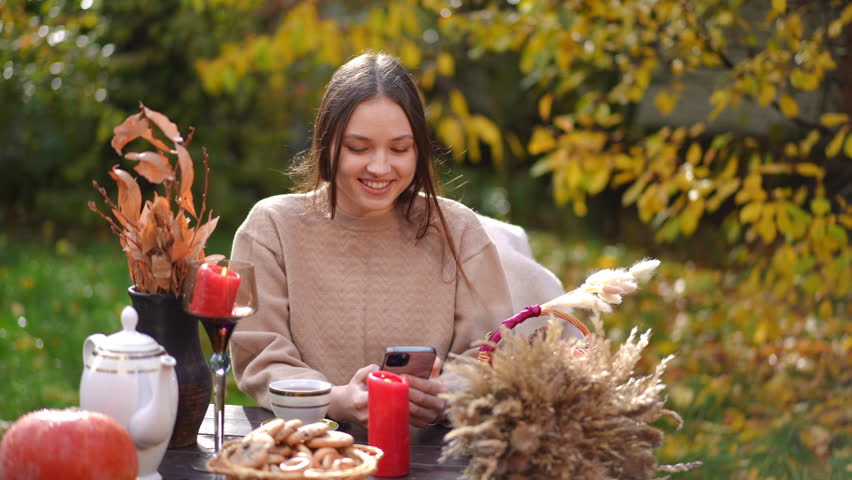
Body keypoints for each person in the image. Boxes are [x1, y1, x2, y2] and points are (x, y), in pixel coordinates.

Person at [229, 52, 514, 428]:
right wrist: (334, 399)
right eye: (358, 148)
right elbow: (258, 353)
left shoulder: (457, 229)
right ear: (327, 144)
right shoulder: (272, 227)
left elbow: (492, 350)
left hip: (432, 460)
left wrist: (448, 394)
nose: (380, 168)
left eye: (399, 149)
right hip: (310, 453)